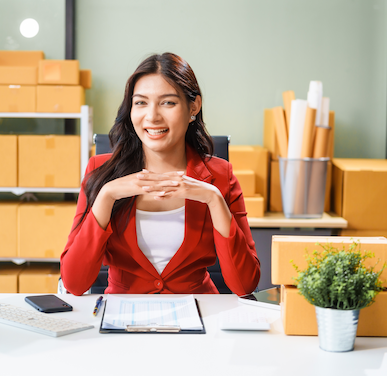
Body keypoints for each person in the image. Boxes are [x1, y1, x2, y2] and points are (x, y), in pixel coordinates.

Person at [60, 53, 260, 296]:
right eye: (141, 103)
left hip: (199, 317)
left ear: (193, 107)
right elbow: (74, 283)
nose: (152, 116)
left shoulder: (220, 176)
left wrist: (214, 200)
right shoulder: (100, 171)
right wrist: (106, 195)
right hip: (122, 320)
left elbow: (245, 284)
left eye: (168, 103)